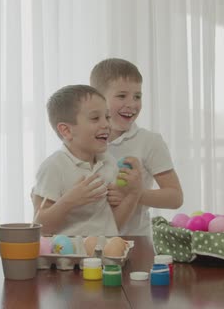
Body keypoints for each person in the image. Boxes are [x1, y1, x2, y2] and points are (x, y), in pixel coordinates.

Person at [31, 84, 142, 236]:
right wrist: (69, 201)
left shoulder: (108, 163)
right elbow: (41, 228)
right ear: (67, 130)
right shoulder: (53, 167)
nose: (106, 124)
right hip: (66, 258)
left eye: (107, 117)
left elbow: (112, 227)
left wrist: (133, 194)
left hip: (103, 254)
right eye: (95, 118)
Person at [90, 58, 184, 237]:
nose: (132, 104)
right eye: (122, 96)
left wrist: (133, 194)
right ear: (99, 98)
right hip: (90, 241)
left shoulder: (149, 141)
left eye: (137, 96)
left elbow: (175, 197)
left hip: (135, 240)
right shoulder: (85, 140)